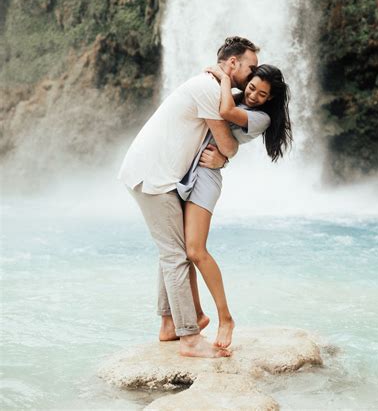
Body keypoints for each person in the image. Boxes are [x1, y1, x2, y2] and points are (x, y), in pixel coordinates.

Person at [118, 36, 259, 358]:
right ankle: (190, 338)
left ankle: (169, 323)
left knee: (172, 250)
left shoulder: (210, 84)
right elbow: (228, 144)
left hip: (156, 174)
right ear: (232, 63)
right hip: (153, 176)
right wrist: (225, 156)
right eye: (249, 68)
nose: (253, 76)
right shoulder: (209, 89)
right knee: (176, 255)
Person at [177, 63, 293, 349]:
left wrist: (226, 78)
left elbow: (227, 114)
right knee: (181, 252)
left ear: (270, 100)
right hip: (187, 168)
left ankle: (225, 318)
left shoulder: (261, 117)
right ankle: (197, 315)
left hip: (206, 176)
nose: (254, 96)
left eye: (262, 94)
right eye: (252, 87)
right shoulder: (236, 95)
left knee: (196, 250)